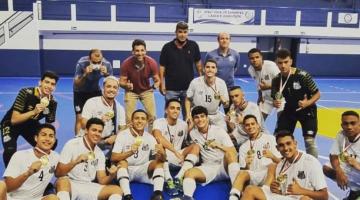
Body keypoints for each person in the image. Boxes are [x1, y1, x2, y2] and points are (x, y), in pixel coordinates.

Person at [241, 130, 328, 200]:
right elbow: (284, 191)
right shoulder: (281, 165)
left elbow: (324, 196)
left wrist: (301, 191)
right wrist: (275, 189)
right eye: (281, 145)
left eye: (288, 143)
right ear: (277, 148)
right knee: (250, 190)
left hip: (302, 198)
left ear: (295, 144)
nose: (286, 148)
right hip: (284, 197)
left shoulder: (310, 162)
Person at [180, 106, 239, 200]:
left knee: (230, 154)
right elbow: (188, 146)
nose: (200, 120)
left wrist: (218, 146)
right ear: (193, 120)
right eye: (196, 117)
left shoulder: (219, 131)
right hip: (208, 167)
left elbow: (233, 152)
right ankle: (187, 197)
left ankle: (236, 192)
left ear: (207, 118)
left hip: (223, 167)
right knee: (189, 173)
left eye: (202, 116)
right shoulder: (192, 133)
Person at [1, 71, 59, 167]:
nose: (49, 86)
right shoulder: (25, 93)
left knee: (52, 143)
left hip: (30, 124)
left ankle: (39, 166)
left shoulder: (52, 102)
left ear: (54, 87)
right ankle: (9, 177)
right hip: (11, 124)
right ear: (40, 82)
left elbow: (49, 125)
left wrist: (49, 138)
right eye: (47, 82)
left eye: (52, 84)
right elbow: (14, 120)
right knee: (10, 150)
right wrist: (34, 112)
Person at [55, 118, 122, 200]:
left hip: (88, 185)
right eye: (94, 130)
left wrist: (112, 175)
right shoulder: (72, 144)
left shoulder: (99, 153)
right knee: (62, 181)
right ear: (86, 131)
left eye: (100, 131)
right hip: (71, 184)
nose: (97, 134)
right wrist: (76, 162)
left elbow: (102, 180)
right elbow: (58, 173)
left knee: (117, 190)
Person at [271, 49, 320, 158]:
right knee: (280, 138)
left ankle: (313, 166)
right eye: (280, 63)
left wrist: (307, 103)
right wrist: (275, 103)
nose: (283, 65)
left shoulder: (303, 76)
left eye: (286, 62)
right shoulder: (276, 80)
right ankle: (284, 163)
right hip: (289, 110)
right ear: (276, 63)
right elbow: (275, 97)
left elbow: (317, 94)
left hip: (308, 110)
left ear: (291, 61)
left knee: (309, 141)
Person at [111, 109, 166, 200]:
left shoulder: (150, 137)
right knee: (122, 162)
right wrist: (130, 152)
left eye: (143, 119)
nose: (140, 121)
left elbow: (161, 159)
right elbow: (113, 157)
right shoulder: (123, 135)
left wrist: (162, 153)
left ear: (146, 122)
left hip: (142, 170)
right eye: (136, 118)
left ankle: (157, 194)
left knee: (159, 162)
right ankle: (127, 196)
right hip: (126, 170)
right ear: (131, 121)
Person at [152, 99, 200, 196]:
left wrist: (191, 127)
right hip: (161, 158)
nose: (175, 111)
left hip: (177, 158)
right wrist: (175, 151)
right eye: (172, 108)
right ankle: (169, 180)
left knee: (195, 146)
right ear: (166, 110)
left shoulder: (183, 124)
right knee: (160, 145)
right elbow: (158, 137)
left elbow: (186, 141)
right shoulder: (159, 122)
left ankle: (178, 177)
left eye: (178, 109)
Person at [229, 115, 281, 200]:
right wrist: (247, 165)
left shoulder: (270, 139)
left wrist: (272, 156)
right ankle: (233, 198)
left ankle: (265, 192)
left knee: (273, 165)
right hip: (255, 175)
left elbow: (283, 163)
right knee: (242, 173)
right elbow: (244, 171)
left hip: (270, 175)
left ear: (258, 125)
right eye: (247, 125)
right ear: (244, 128)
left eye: (252, 124)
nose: (250, 127)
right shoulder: (243, 147)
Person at [3, 123, 59, 200]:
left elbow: (62, 173)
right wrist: (28, 173)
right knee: (1, 185)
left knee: (53, 198)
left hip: (36, 198)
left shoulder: (56, 157)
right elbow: (8, 187)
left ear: (54, 140)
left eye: (51, 136)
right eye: (44, 135)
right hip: (12, 198)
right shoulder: (19, 155)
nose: (47, 139)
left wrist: (75, 162)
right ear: (36, 138)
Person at [159, 21, 202, 119]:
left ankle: (187, 133)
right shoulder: (167, 47)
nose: (182, 34)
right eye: (180, 32)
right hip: (171, 89)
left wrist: (201, 81)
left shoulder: (194, 46)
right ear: (176, 32)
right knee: (169, 115)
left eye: (185, 32)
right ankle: (167, 132)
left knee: (188, 114)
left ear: (187, 33)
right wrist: (162, 83)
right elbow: (162, 67)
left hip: (188, 88)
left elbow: (198, 64)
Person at [119, 39, 160, 128]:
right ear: (133, 52)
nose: (140, 53)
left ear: (145, 51)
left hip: (146, 91)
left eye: (142, 50)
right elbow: (121, 82)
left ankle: (152, 139)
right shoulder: (126, 64)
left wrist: (154, 86)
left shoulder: (152, 63)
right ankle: (129, 139)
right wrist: (126, 85)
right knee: (129, 119)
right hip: (131, 91)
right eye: (137, 51)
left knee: (152, 117)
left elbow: (157, 80)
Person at [73, 49, 113, 135]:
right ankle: (77, 140)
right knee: (79, 118)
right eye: (94, 63)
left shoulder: (107, 64)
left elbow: (112, 82)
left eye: (99, 62)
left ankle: (96, 137)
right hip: (80, 91)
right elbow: (77, 84)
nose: (97, 65)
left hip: (95, 91)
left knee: (97, 115)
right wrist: (85, 74)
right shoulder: (82, 63)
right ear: (89, 59)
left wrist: (106, 74)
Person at [81, 76, 126, 151]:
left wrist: (116, 137)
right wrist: (99, 121)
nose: (111, 90)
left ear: (117, 91)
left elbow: (122, 128)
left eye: (115, 87)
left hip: (108, 141)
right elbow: (83, 124)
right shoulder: (92, 102)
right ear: (103, 88)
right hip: (90, 139)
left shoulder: (119, 108)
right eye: (108, 86)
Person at [323, 110, 360, 200]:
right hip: (351, 169)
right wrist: (339, 171)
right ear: (342, 125)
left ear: (359, 123)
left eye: (353, 123)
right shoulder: (341, 134)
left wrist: (357, 165)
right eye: (346, 124)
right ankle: (355, 190)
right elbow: (333, 155)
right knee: (327, 168)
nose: (349, 127)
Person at [185, 59, 229, 130]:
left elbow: (226, 104)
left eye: (213, 67)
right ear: (204, 69)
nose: (210, 69)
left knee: (224, 132)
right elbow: (188, 99)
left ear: (216, 70)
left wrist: (225, 102)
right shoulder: (195, 82)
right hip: (198, 115)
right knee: (188, 132)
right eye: (207, 67)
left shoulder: (221, 83)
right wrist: (188, 115)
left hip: (214, 115)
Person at [205, 32, 241, 114]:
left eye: (227, 38)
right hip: (215, 89)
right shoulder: (210, 55)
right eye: (222, 38)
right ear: (218, 40)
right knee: (211, 112)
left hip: (229, 89)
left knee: (230, 114)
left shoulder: (235, 54)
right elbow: (207, 70)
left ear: (230, 40)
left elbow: (235, 68)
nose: (224, 40)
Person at [247, 48, 284, 120]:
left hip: (280, 97)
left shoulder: (271, 66)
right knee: (258, 121)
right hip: (266, 98)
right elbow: (258, 84)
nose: (254, 60)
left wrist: (268, 86)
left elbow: (283, 82)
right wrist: (260, 96)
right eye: (252, 58)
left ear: (261, 57)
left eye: (257, 57)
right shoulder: (250, 69)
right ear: (249, 60)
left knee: (281, 123)